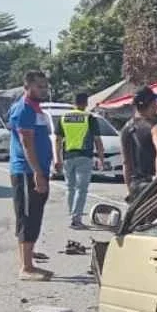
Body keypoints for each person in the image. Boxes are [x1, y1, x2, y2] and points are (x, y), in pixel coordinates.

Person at [8, 70, 55, 281]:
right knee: (27, 217)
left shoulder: (36, 109)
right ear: (27, 87)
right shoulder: (24, 109)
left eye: (45, 86)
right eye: (39, 86)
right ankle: (25, 267)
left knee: (35, 216)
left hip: (39, 170)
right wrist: (37, 172)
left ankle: (29, 263)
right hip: (27, 172)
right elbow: (27, 144)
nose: (43, 90)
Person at [53, 92, 105, 230]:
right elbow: (97, 140)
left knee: (70, 188)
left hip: (68, 156)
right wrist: (101, 158)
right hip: (84, 156)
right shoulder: (89, 118)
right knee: (81, 189)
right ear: (86, 103)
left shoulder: (64, 117)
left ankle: (72, 215)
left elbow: (57, 139)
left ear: (73, 103)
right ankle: (76, 219)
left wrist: (57, 158)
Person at [120, 86, 157, 201]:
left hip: (135, 185)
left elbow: (126, 162)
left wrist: (130, 190)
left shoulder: (125, 129)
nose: (156, 105)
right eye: (154, 102)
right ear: (150, 104)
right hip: (151, 185)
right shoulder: (156, 128)